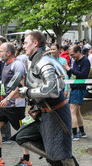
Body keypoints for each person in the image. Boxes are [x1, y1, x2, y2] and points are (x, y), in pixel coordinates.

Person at [15, 31, 78, 165]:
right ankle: (53, 155)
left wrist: (28, 93)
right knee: (22, 136)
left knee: (62, 154)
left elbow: (53, 90)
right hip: (43, 114)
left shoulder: (43, 61)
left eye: (26, 43)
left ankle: (57, 157)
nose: (23, 46)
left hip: (56, 114)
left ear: (35, 43)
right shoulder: (38, 60)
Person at [0, 42, 28, 166]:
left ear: (8, 53)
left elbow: (21, 85)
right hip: (5, 104)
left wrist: (8, 98)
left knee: (22, 132)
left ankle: (26, 159)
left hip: (15, 105)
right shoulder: (6, 64)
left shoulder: (17, 64)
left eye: (1, 51)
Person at [63, 45, 91, 141]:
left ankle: (74, 134)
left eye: (73, 54)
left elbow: (83, 75)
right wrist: (68, 72)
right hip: (74, 87)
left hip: (79, 88)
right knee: (77, 111)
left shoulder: (85, 61)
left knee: (72, 111)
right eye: (70, 55)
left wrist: (70, 70)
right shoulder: (75, 61)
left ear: (78, 51)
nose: (72, 57)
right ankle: (82, 132)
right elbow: (73, 74)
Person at [0, 36, 12, 144]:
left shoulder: (6, 59)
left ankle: (6, 135)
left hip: (3, 88)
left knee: (3, 110)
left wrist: (1, 86)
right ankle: (0, 134)